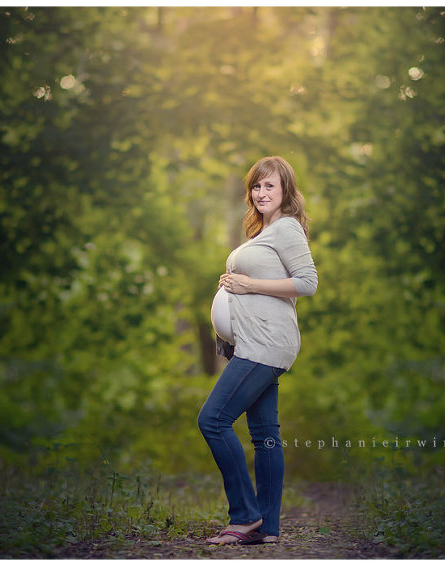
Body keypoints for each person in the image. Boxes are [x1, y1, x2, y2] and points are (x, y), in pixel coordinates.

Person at [198, 156, 318, 545]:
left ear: (285, 191)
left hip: (267, 343)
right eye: (256, 186)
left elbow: (307, 283)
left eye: (270, 186)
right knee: (265, 433)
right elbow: (258, 277)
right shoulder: (261, 233)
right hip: (253, 342)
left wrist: (249, 286)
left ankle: (245, 515)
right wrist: (233, 282)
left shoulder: (286, 229)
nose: (261, 193)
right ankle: (265, 527)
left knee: (213, 420)